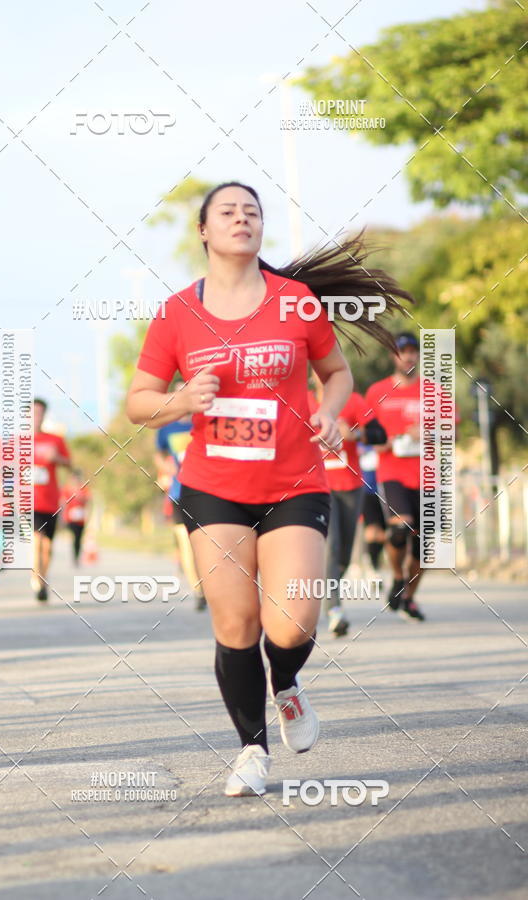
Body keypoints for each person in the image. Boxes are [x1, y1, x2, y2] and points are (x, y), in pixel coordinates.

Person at [127, 181, 413, 797]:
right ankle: (250, 753)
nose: (242, 219)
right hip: (213, 488)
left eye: (252, 212)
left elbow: (335, 374)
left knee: (292, 624)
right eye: (228, 212)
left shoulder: (296, 302)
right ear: (203, 231)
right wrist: (179, 400)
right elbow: (138, 403)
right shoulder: (176, 313)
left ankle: (285, 684)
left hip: (293, 483)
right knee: (235, 624)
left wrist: (332, 414)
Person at [308, 381, 386, 636]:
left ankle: (330, 592)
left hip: (351, 485)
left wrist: (356, 434)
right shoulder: (304, 399)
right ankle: (335, 610)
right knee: (331, 545)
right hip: (317, 486)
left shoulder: (352, 400)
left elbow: (379, 434)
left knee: (344, 552)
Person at [366, 332, 426, 620]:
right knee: (401, 528)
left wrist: (428, 432)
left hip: (428, 476)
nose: (409, 356)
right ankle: (397, 577)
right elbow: (369, 434)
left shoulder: (434, 392)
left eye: (414, 351)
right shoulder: (377, 392)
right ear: (394, 356)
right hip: (392, 473)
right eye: (403, 351)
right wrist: (396, 437)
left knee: (425, 545)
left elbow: (453, 430)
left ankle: (409, 597)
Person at [154, 389, 206, 611]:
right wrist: (164, 465)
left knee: (206, 543)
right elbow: (159, 453)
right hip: (178, 492)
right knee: (185, 543)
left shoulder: (202, 421)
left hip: (205, 490)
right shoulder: (168, 427)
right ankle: (198, 590)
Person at [32, 398, 71, 602]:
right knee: (36, 541)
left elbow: (68, 463)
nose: (36, 417)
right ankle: (38, 581)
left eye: (40, 412)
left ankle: (41, 578)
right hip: (28, 501)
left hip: (50, 500)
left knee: (47, 546)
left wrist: (56, 458)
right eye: (32, 412)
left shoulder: (55, 440)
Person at [359, 445, 387, 574]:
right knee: (372, 528)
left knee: (383, 533)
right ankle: (372, 564)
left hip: (385, 490)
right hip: (367, 490)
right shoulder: (360, 439)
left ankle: (374, 561)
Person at [61, 470, 91, 566]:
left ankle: (76, 557)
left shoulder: (84, 489)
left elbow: (88, 501)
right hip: (70, 518)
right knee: (73, 536)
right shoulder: (67, 489)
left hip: (80, 518)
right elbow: (63, 502)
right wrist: (62, 516)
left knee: (78, 538)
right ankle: (73, 554)